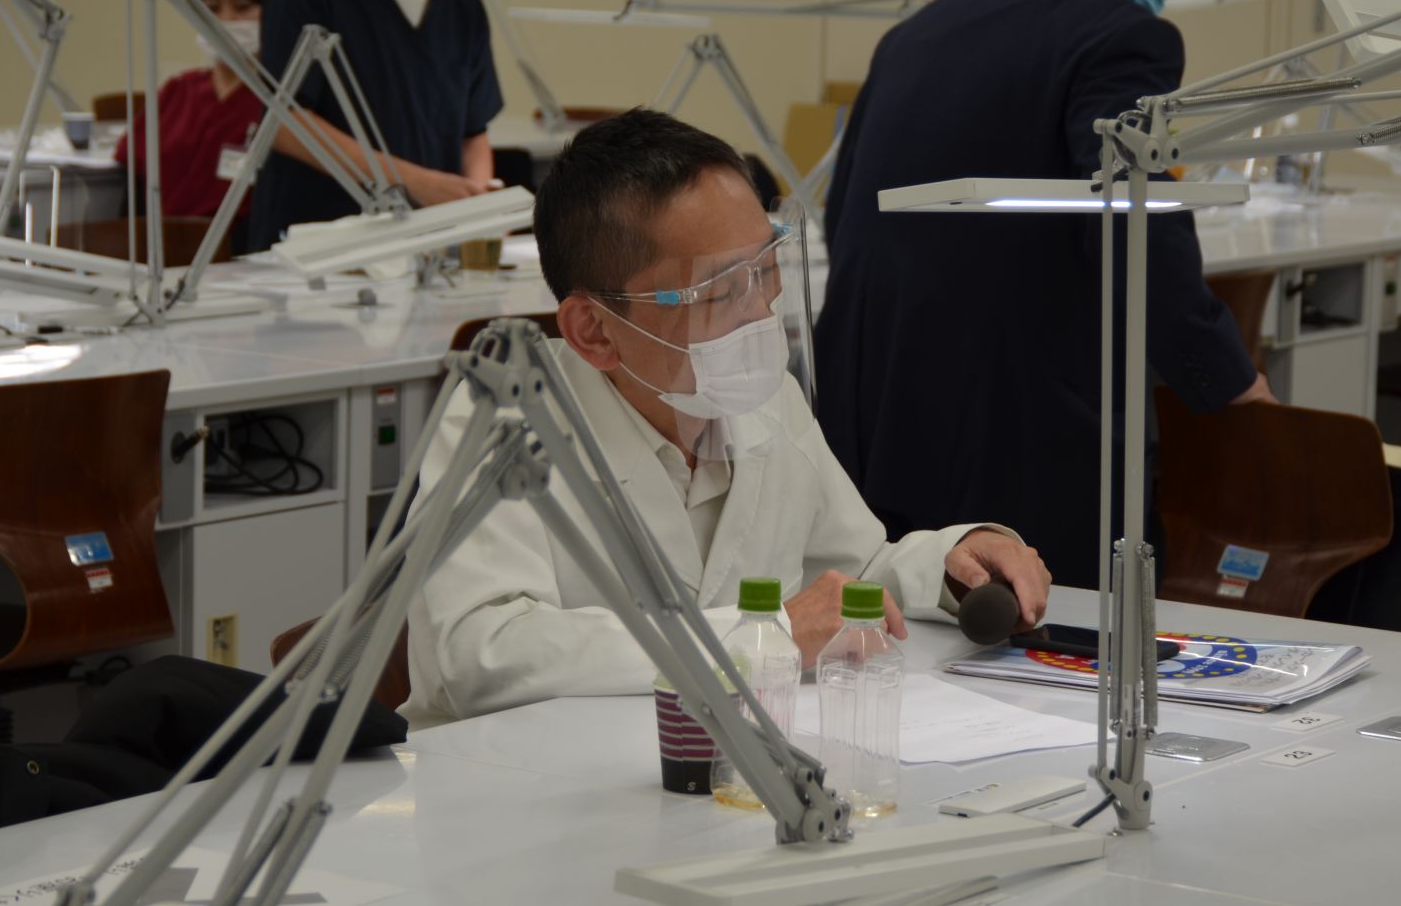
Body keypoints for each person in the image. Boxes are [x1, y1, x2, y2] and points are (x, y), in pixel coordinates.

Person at [400, 110, 1052, 728]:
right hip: (519, 780)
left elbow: (850, 573)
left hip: (718, 765)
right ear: (594, 330)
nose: (759, 313)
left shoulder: (757, 398)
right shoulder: (507, 418)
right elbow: (484, 654)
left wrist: (952, 564)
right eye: (719, 291)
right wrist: (761, 636)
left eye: (765, 267)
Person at [814, 0, 1274, 590]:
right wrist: (1230, 382)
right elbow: (1136, 223)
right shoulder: (1119, 37)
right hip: (1016, 437)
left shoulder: (915, 34)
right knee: (1048, 640)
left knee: (907, 635)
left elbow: (845, 217)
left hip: (877, 422)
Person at [245, 0, 503, 251]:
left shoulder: (463, 8)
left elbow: (474, 134)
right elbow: (285, 124)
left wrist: (476, 207)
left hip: (421, 249)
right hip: (316, 248)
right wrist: (413, 183)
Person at [113, 0, 271, 249]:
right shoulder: (179, 91)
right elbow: (132, 168)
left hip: (242, 254)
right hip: (162, 250)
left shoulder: (277, 101)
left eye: (242, 7)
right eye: (211, 8)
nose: (225, 20)